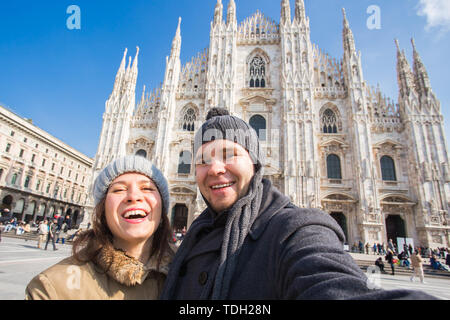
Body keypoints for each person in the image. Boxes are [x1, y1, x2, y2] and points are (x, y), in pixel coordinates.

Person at [160, 107, 435, 300]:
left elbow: (328, 280)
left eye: (229, 154)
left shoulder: (295, 229)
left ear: (255, 164)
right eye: (203, 160)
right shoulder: (195, 235)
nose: (216, 168)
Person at [26, 155, 174, 300]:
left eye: (147, 188)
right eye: (118, 189)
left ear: (162, 209)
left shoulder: (188, 273)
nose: (134, 196)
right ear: (101, 210)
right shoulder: (53, 288)